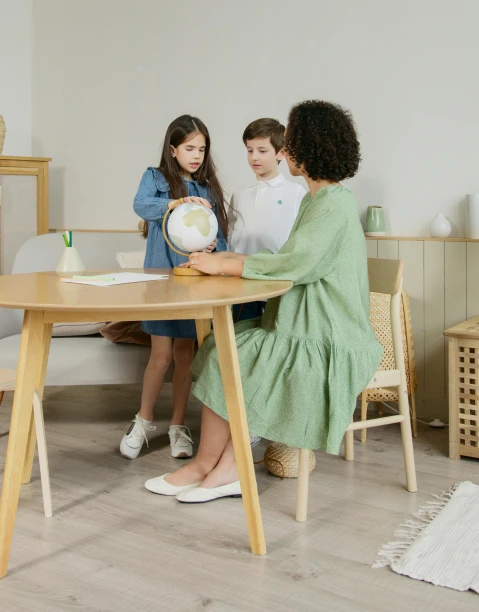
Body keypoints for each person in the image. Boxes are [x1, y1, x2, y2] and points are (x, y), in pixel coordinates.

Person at [143, 100, 383, 502]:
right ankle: (208, 465)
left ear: (311, 149)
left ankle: (226, 470)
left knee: (238, 358)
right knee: (222, 347)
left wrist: (226, 266)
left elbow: (295, 264)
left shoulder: (334, 204)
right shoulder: (316, 200)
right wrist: (226, 259)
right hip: (299, 324)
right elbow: (288, 259)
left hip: (327, 333)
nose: (284, 152)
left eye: (289, 144)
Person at [120, 115, 228, 461]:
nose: (196, 155)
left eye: (202, 149)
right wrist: (175, 203)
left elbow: (220, 238)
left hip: (192, 285)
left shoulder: (208, 189)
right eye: (189, 148)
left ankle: (177, 425)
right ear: (173, 149)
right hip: (160, 283)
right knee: (160, 356)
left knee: (185, 355)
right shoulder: (155, 179)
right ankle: (144, 420)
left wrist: (213, 249)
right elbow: (141, 205)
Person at [229, 117, 306, 324]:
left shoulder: (296, 193)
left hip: (277, 285)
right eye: (249, 150)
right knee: (238, 343)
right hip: (240, 284)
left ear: (281, 152)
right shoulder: (240, 193)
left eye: (262, 151)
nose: (254, 157)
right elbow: (230, 233)